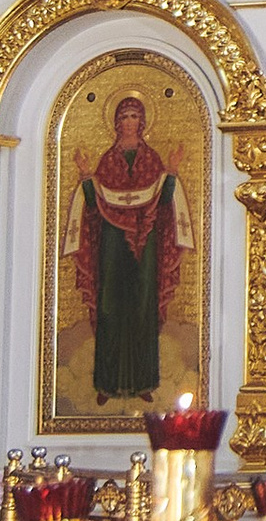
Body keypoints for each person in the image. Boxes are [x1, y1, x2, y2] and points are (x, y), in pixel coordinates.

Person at [73, 90, 188, 401]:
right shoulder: (107, 161)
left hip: (146, 239)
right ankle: (107, 384)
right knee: (110, 306)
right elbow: (95, 206)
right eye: (123, 116)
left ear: (143, 122)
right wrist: (85, 175)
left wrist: (173, 171)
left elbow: (163, 201)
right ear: (115, 122)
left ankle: (143, 382)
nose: (129, 122)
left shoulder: (151, 160)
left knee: (142, 306)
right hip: (111, 243)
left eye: (134, 116)